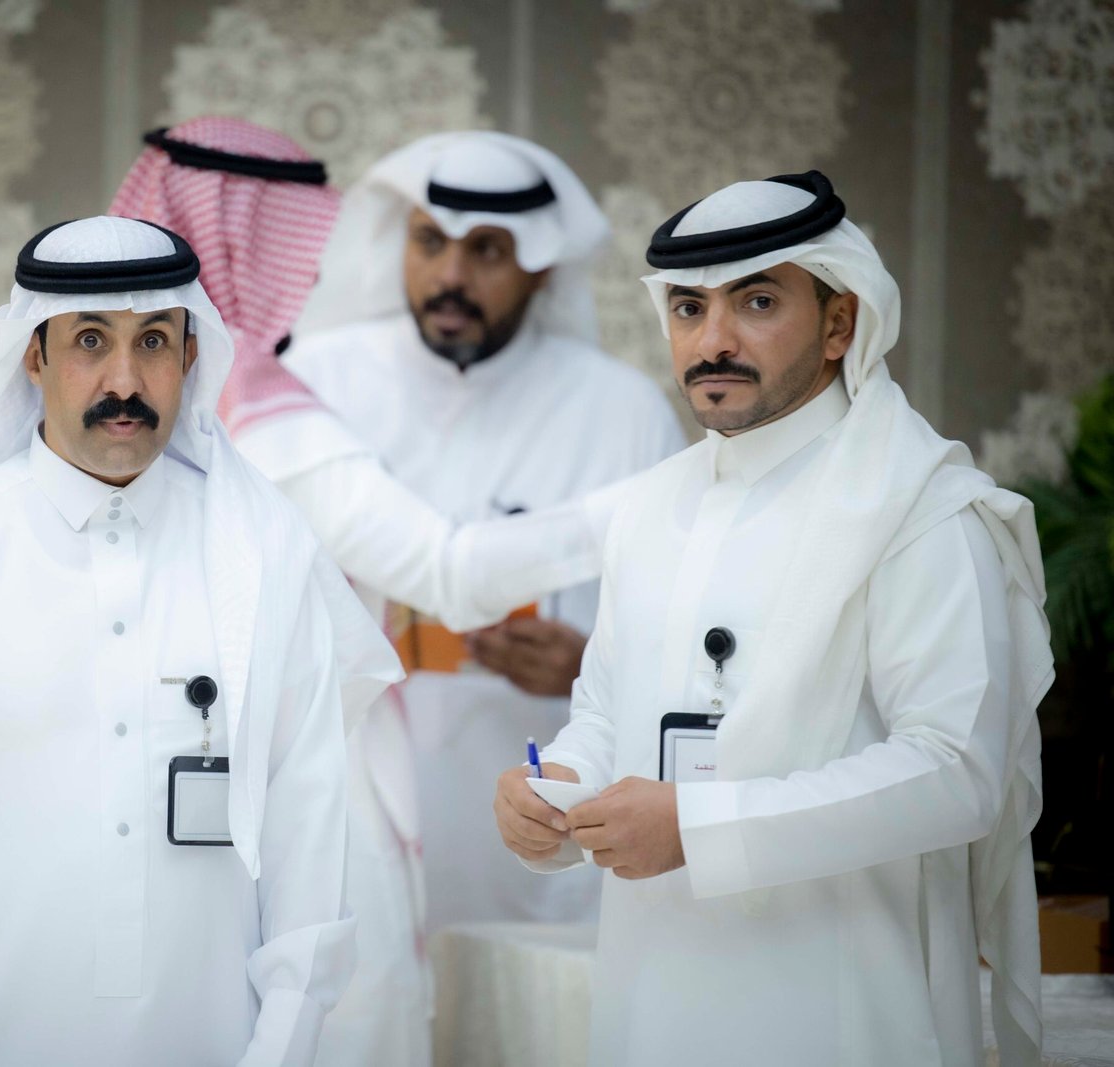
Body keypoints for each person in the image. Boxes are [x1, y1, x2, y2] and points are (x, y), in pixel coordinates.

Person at [0, 216, 400, 1066]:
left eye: (153, 341)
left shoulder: (264, 554)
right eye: (89, 340)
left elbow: (309, 844)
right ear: (33, 357)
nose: (125, 380)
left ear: (191, 355)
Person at [493, 171, 1050, 1066]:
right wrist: (555, 786)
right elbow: (606, 709)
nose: (713, 340)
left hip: (845, 1010)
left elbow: (958, 769)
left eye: (756, 302)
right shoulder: (651, 506)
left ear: (839, 323)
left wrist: (700, 828)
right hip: (652, 995)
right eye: (688, 308)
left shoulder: (920, 508)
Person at [109, 117, 625, 1066]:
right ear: (244, 242)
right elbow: (449, 573)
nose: (315, 268)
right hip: (290, 788)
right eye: (294, 237)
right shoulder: (257, 403)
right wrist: (658, 501)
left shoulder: (145, 409)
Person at [286, 131, 686, 933]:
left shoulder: (623, 411)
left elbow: (689, 643)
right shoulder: (312, 382)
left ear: (540, 266)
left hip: (545, 855)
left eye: (487, 251)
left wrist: (587, 668)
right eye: (430, 243)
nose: (451, 277)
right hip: (349, 841)